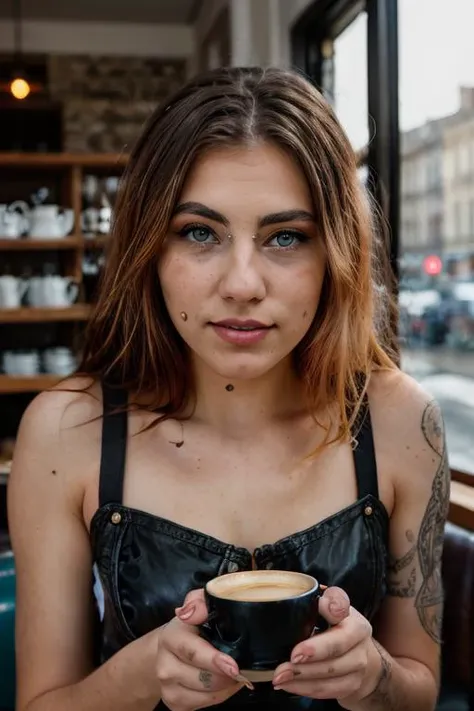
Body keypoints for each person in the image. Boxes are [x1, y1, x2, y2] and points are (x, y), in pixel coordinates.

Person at [8, 66, 450, 711]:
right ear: (147, 248)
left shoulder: (402, 422)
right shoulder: (65, 431)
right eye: (199, 232)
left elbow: (421, 688)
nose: (243, 283)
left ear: (335, 254)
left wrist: (375, 676)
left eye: (285, 237)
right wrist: (138, 676)